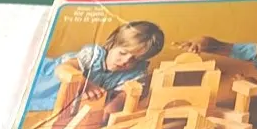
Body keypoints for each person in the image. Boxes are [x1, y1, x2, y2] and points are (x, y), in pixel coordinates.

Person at [28, 21, 165, 116]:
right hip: (49, 79)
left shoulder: (135, 73)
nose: (125, 61)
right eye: (122, 53)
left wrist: (111, 108)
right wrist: (84, 83)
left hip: (69, 100)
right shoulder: (93, 55)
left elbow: (124, 95)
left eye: (135, 59)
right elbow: (63, 69)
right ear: (112, 44)